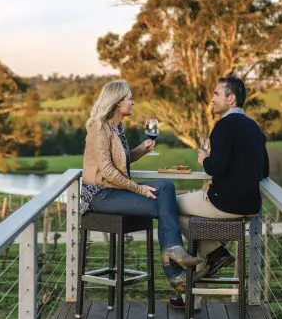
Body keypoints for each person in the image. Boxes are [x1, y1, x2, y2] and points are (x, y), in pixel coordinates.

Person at [81, 79, 204, 292]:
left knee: (166, 187)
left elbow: (122, 160)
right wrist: (139, 189)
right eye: (129, 98)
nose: (133, 102)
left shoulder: (117, 128)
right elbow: (108, 170)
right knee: (165, 206)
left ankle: (173, 251)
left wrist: (142, 149)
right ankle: (173, 269)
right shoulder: (99, 128)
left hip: (115, 190)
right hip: (100, 195)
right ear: (117, 102)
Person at [169, 76, 270, 310]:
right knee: (198, 232)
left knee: (168, 206)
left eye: (216, 94)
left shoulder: (224, 125)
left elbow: (215, 168)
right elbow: (264, 170)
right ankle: (192, 299)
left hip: (223, 204)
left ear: (231, 98)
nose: (212, 99)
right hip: (250, 207)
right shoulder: (254, 127)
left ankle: (213, 251)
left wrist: (205, 158)